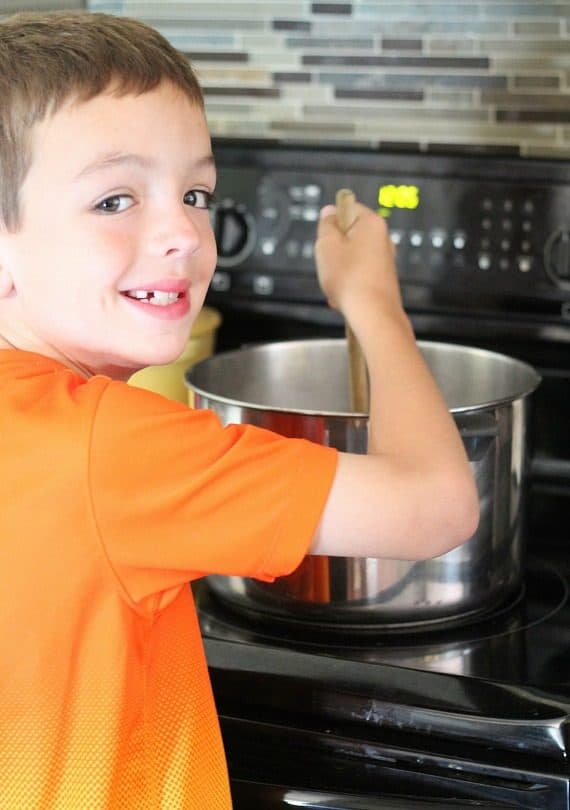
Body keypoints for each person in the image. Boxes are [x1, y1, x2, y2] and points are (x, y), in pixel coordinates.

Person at [0, 10, 479, 809]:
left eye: (195, 192)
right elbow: (436, 506)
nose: (184, 232)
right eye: (115, 200)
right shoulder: (108, 451)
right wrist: (375, 306)